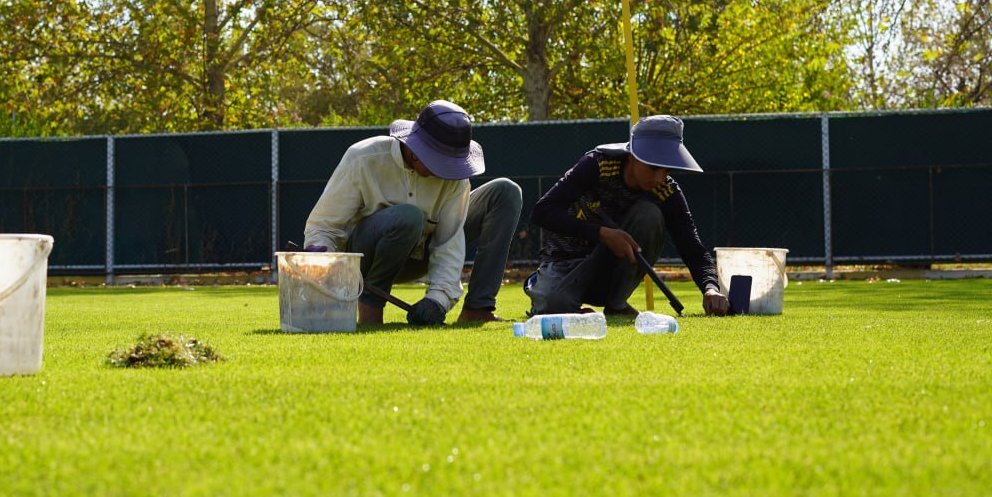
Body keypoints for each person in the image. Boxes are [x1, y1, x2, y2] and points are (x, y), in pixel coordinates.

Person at [303, 100, 523, 326]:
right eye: (439, 160)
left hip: (420, 255)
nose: (444, 169)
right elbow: (323, 226)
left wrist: (438, 300)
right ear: (415, 148)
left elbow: (449, 242)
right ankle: (371, 308)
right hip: (364, 259)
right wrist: (321, 258)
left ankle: (478, 309)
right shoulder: (363, 158)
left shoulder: (454, 177)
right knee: (409, 217)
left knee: (505, 192)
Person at [524, 114, 731, 317]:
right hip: (564, 265)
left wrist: (710, 288)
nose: (660, 178)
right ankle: (559, 300)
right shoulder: (597, 165)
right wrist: (602, 234)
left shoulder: (666, 191)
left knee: (649, 214)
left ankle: (617, 304)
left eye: (666, 170)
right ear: (633, 156)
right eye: (653, 167)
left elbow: (691, 245)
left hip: (609, 275)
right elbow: (543, 211)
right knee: (553, 308)